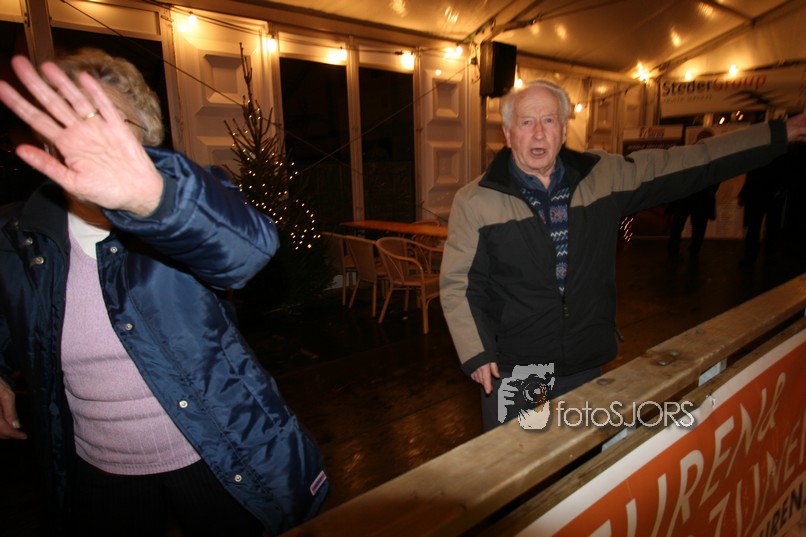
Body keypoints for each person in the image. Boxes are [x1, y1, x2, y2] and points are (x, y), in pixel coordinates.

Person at [0, 49, 328, 536]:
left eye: (105, 119)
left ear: (145, 137)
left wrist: (155, 202)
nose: (89, 138)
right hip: (97, 468)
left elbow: (248, 252)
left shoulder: (183, 209)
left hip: (213, 456)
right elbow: (13, 316)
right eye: (70, 121)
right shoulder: (17, 234)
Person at [439, 78, 806, 432]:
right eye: (526, 122)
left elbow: (695, 160)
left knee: (582, 466)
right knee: (515, 466)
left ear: (563, 130)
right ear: (508, 134)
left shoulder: (603, 176)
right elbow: (460, 285)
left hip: (585, 365)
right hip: (517, 371)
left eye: (549, 120)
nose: (538, 133)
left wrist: (779, 133)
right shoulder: (476, 201)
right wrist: (478, 352)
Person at [666, 128, 718, 261]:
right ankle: (693, 250)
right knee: (698, 226)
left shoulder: (688, 153)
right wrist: (711, 190)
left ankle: (674, 250)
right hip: (701, 195)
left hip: (686, 194)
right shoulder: (711, 156)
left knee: (679, 225)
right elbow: (715, 176)